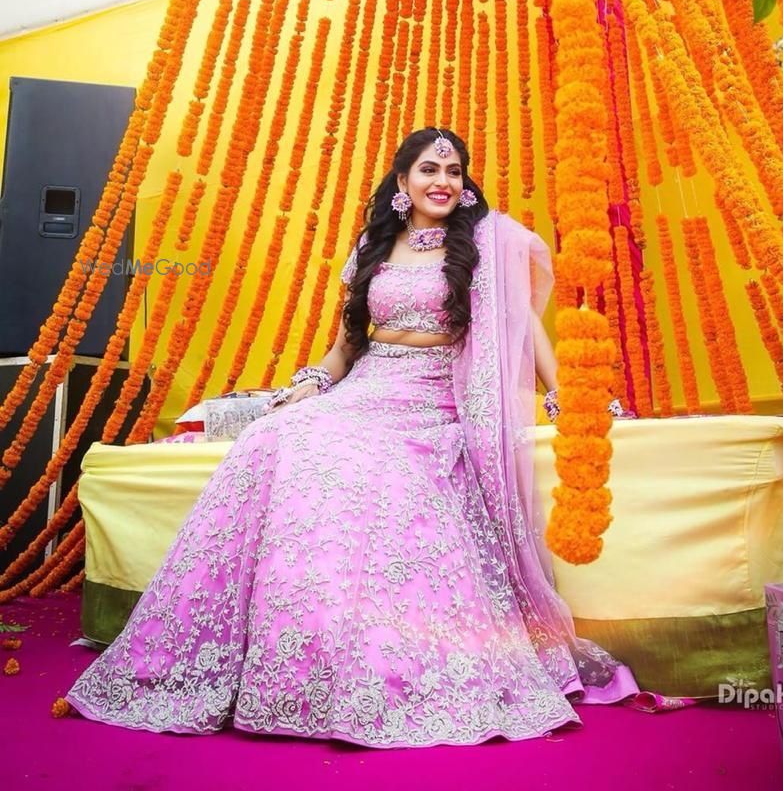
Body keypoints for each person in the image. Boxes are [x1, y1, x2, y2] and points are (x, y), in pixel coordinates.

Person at [64, 127, 637, 745]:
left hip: (430, 398)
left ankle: (360, 665)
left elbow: (525, 324)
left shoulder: (484, 244)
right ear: (402, 183)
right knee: (272, 438)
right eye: (428, 169)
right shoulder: (373, 245)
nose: (443, 180)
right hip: (365, 387)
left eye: (453, 169)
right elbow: (347, 343)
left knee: (357, 463)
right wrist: (313, 382)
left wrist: (568, 397)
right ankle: (269, 659)